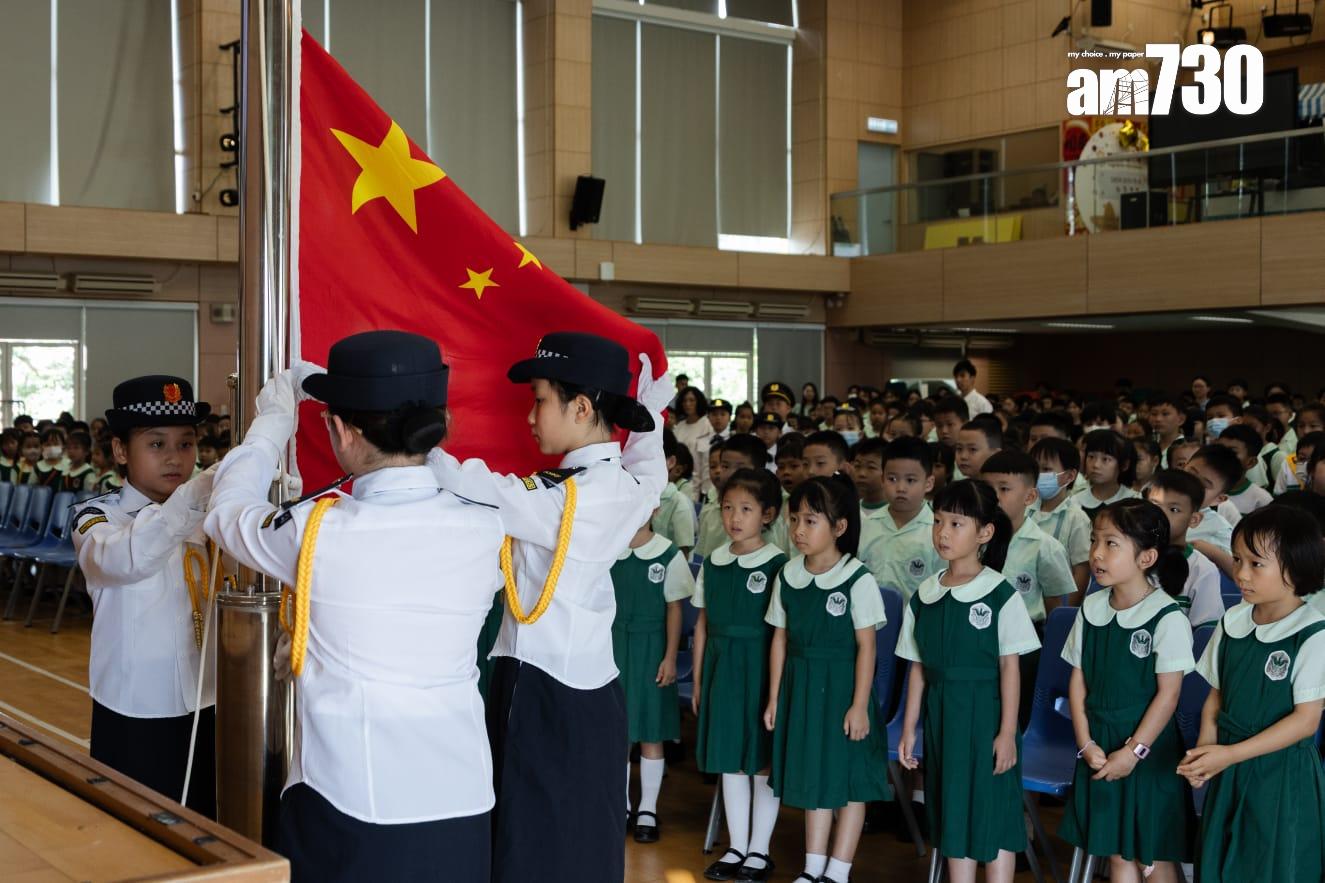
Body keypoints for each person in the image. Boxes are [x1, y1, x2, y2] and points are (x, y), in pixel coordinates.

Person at [204, 334, 505, 881]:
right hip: (460, 799)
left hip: (351, 803)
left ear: (340, 431)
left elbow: (227, 512)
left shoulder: (320, 532)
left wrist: (273, 421)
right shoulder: (484, 524)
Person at [427, 331, 668, 883]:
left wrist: (414, 442)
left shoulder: (573, 498)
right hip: (578, 690)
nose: (530, 416)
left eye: (539, 399)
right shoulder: (623, 485)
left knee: (534, 838)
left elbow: (483, 490)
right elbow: (651, 471)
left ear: (582, 407)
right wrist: (650, 414)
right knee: (573, 836)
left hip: (543, 691)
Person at [72, 376, 217, 818]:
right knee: (134, 830)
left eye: (186, 443)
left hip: (207, 697)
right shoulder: (97, 517)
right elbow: (124, 560)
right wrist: (193, 499)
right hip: (135, 706)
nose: (175, 458)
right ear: (120, 451)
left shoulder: (207, 513)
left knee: (205, 825)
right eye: (157, 444)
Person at [897, 479, 1041, 881]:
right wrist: (909, 727)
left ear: (984, 533)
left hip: (986, 716)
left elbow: (1010, 668)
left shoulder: (1000, 594)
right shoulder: (923, 594)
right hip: (943, 717)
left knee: (991, 808)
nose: (943, 532)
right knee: (952, 807)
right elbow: (917, 668)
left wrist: (1007, 733)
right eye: (938, 521)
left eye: (957, 523)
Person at [1180, 506, 1325, 883]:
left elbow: (1305, 721)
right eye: (1238, 559)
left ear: (1295, 569)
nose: (1241, 574)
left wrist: (1229, 754)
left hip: (1279, 774)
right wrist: (1205, 749)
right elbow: (1217, 694)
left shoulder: (1313, 633)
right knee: (1220, 858)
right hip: (1229, 763)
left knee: (1271, 865)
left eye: (1256, 564)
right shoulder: (1233, 619)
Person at [1059, 498, 1196, 883]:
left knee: (1150, 855)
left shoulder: (1166, 616)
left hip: (1147, 751)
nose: (1097, 554)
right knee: (1117, 852)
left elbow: (1168, 695)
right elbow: (1078, 680)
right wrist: (1085, 744)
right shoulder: (1091, 609)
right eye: (1094, 541)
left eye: (1111, 544)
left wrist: (1133, 752)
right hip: (1100, 746)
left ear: (1146, 557)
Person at [764, 475, 890, 883]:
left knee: (848, 782)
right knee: (812, 775)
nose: (799, 530)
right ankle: (813, 866)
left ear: (839, 527)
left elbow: (867, 647)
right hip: (801, 690)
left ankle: (838, 870)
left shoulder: (858, 578)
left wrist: (858, 705)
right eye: (794, 519)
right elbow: (780, 639)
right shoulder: (787, 575)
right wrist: (775, 698)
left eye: (811, 521)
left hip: (842, 692)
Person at [693, 468, 788, 882]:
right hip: (721, 666)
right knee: (729, 756)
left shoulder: (780, 565)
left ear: (767, 515)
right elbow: (701, 624)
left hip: (761, 666)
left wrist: (776, 691)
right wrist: (697, 681)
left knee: (760, 759)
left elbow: (783, 632)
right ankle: (735, 846)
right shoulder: (712, 562)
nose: (734, 517)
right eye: (728, 507)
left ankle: (759, 850)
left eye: (746, 509)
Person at [612, 513, 694, 844]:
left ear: (655, 510)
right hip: (614, 644)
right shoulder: (610, 547)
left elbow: (675, 609)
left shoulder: (667, 553)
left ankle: (647, 807)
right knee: (617, 733)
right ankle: (621, 804)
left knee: (651, 729)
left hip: (652, 647)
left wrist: (671, 657)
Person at [857, 437, 940, 601]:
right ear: (882, 480)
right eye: (892, 479)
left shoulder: (937, 532)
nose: (901, 488)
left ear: (928, 483)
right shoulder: (867, 525)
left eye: (910, 480)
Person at [1144, 469, 1225, 628]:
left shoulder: (1202, 569)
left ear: (1194, 519)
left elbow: (1205, 632)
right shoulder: (1127, 558)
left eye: (1174, 509)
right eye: (1154, 505)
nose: (1161, 515)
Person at [699, 434, 788, 558]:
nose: (730, 474)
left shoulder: (774, 521)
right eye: (725, 466)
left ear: (758, 470)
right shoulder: (709, 512)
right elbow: (702, 557)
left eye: (740, 468)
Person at [1029, 438, 1092, 593]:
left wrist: (1064, 612)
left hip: (1057, 600)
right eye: (1035, 468)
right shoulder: (1025, 509)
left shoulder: (1077, 518)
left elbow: (1081, 571)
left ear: (1069, 476)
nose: (1039, 474)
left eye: (1046, 469)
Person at [1076, 430, 1140, 521]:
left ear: (1124, 465)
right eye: (1091, 457)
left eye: (1105, 459)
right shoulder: (1075, 500)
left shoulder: (1134, 501)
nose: (1096, 465)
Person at [652, 430, 697, 557]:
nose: (645, 465)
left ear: (671, 462)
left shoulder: (679, 503)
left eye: (654, 458)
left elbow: (684, 555)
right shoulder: (631, 497)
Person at [1214, 424, 1274, 515]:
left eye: (1232, 452)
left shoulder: (1262, 500)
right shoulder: (1204, 491)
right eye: (1219, 450)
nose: (1222, 456)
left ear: (1251, 462)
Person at [674, 386, 715, 497]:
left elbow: (706, 461)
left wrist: (705, 490)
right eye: (685, 401)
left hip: (697, 484)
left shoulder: (705, 425)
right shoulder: (679, 427)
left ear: (699, 402)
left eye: (692, 400)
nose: (688, 404)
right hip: (677, 482)